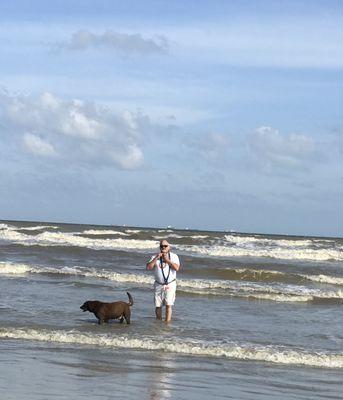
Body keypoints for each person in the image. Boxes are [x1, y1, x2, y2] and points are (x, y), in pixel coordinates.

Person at [146, 239, 180, 322]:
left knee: (169, 304)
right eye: (162, 246)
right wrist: (157, 258)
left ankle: (167, 323)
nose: (163, 247)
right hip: (158, 284)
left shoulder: (174, 256)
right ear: (159, 247)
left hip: (170, 284)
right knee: (158, 305)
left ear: (169, 247)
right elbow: (148, 267)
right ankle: (158, 322)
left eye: (165, 246)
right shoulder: (155, 257)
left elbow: (176, 268)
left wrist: (167, 260)